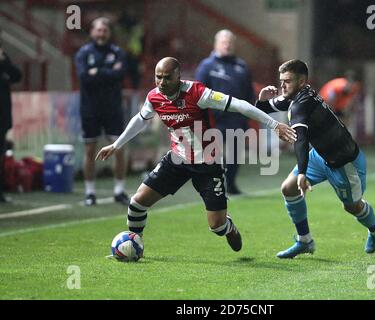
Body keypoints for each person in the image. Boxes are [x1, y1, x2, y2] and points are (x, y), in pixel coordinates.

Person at [96, 57, 296, 252]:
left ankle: (229, 227)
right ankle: (134, 244)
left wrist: (273, 124)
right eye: (158, 77)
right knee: (137, 203)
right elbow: (141, 119)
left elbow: (239, 105)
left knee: (217, 226)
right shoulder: (154, 97)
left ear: (178, 77)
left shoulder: (198, 93)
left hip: (208, 162)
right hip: (177, 159)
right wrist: (116, 144)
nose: (162, 83)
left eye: (167, 77)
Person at [255, 60, 375, 258]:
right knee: (288, 188)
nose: (282, 85)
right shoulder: (297, 95)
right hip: (321, 155)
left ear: (301, 82)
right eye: (281, 81)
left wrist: (302, 172)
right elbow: (265, 108)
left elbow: (300, 140)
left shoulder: (301, 104)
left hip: (344, 163)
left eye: (287, 81)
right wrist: (261, 100)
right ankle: (304, 241)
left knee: (352, 206)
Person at [75, 17, 129, 206]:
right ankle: (90, 193)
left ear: (109, 32)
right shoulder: (84, 53)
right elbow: (83, 77)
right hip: (90, 109)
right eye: (98, 30)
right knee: (90, 149)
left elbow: (120, 75)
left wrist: (96, 72)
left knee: (118, 148)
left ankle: (119, 190)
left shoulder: (118, 53)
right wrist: (107, 72)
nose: (101, 33)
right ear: (92, 31)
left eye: (104, 30)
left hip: (113, 108)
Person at [195, 30, 255, 195]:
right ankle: (213, 185)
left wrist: (249, 114)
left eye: (230, 42)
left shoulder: (242, 66)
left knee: (235, 154)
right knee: (211, 154)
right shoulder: (207, 65)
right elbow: (198, 92)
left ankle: (231, 183)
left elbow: (249, 93)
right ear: (216, 44)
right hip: (214, 119)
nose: (227, 45)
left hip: (236, 118)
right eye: (224, 42)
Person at [0, 36, 22, 203]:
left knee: (1, 154)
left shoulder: (3, 56)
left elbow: (17, 75)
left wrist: (3, 62)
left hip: (2, 114)